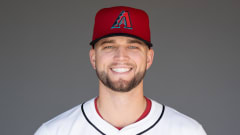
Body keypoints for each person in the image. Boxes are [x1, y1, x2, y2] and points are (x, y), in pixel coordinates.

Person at [34, 6, 207, 135]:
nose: (121, 56)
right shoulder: (54, 132)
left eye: (133, 46)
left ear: (149, 58)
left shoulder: (187, 131)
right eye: (109, 46)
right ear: (93, 58)